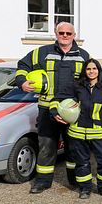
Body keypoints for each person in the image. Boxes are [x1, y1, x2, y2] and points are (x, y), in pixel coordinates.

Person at [16, 22, 89, 194]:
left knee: (74, 148)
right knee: (46, 146)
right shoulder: (41, 52)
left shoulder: (83, 55)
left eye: (68, 33)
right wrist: (22, 82)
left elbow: (89, 80)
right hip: (47, 109)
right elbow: (22, 66)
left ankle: (75, 180)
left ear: (74, 35)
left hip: (72, 111)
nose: (65, 36)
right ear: (55, 34)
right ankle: (42, 181)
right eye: (61, 32)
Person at [67, 59, 102, 199]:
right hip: (78, 132)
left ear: (98, 70)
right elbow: (66, 103)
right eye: (88, 69)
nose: (91, 71)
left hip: (99, 132)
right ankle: (85, 188)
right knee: (82, 162)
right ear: (84, 71)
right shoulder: (77, 86)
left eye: (94, 68)